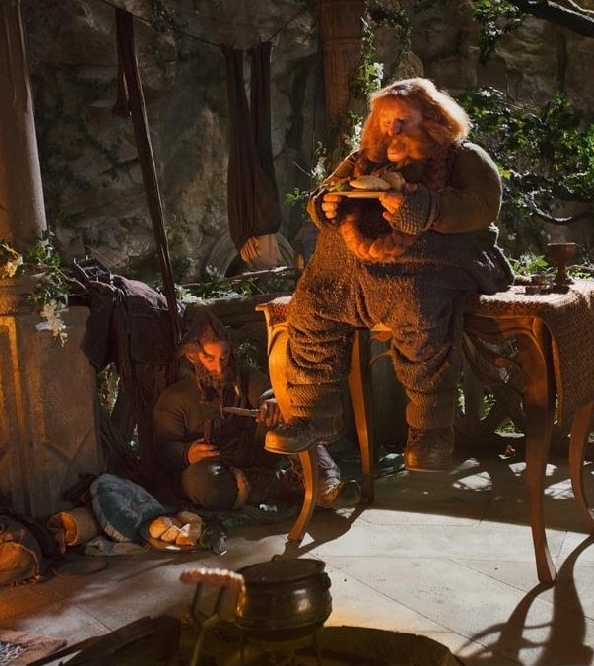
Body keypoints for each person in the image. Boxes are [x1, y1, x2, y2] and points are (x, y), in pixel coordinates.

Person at [265, 77, 515, 472]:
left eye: (402, 121)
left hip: (431, 267)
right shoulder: (362, 160)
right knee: (313, 302)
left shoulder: (464, 157)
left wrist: (426, 208)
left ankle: (430, 430)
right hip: (357, 271)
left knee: (419, 305)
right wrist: (325, 206)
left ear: (432, 118)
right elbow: (326, 191)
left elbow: (483, 205)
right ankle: (313, 416)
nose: (391, 130)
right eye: (384, 121)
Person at [152, 309, 361, 511]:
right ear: (192, 357)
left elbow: (268, 391)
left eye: (224, 356)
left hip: (255, 453)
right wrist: (186, 453)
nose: (219, 367)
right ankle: (288, 484)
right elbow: (162, 450)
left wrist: (273, 401)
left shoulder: (243, 375)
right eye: (210, 358)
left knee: (289, 415)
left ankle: (326, 482)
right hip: (216, 470)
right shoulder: (174, 398)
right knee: (203, 483)